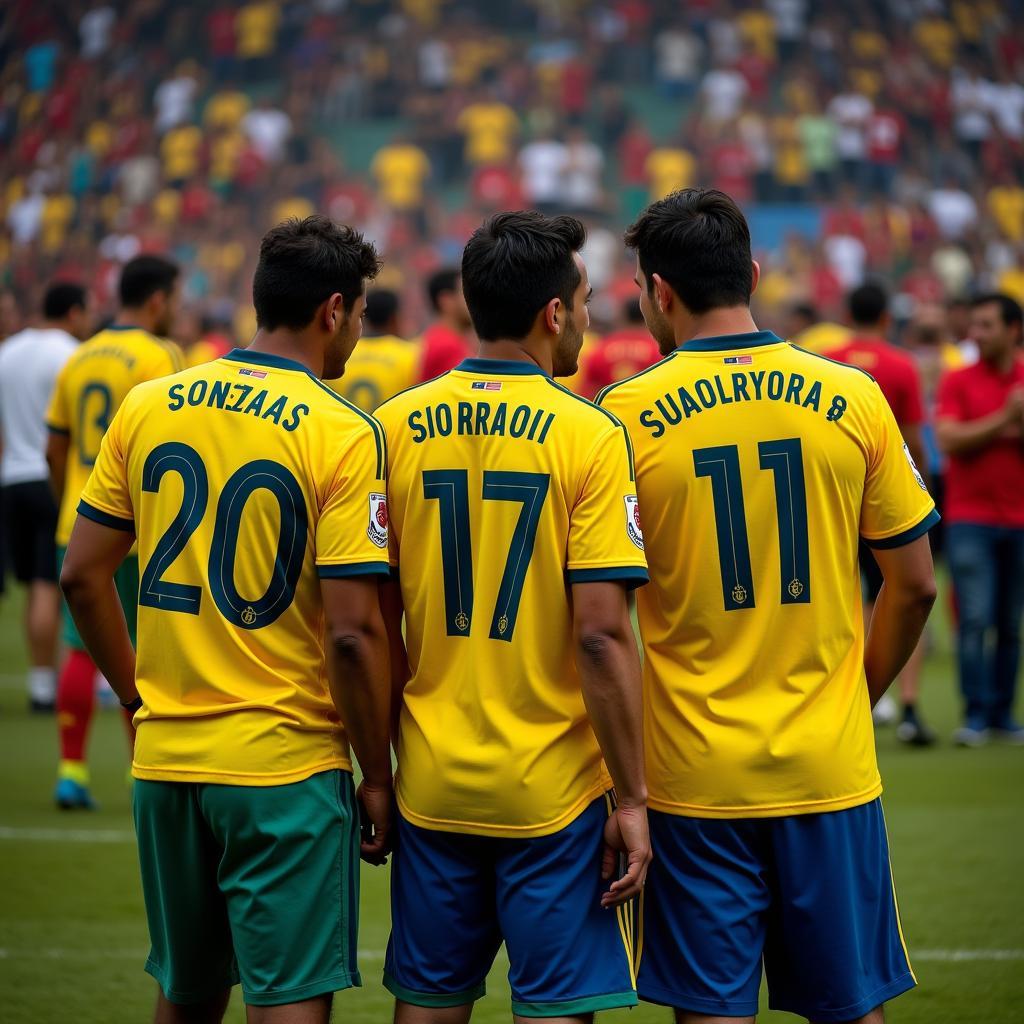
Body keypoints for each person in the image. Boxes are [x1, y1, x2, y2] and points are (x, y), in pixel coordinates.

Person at [599, 189, 938, 1024]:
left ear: (657, 292)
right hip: (828, 766)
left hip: (693, 776)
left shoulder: (626, 417)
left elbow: (601, 619)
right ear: (752, 274)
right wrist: (854, 695)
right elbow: (917, 582)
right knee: (849, 1005)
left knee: (712, 1010)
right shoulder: (853, 396)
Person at [59, 216, 394, 1022]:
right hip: (282, 768)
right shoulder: (341, 432)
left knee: (186, 997)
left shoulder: (149, 405)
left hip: (167, 763)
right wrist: (378, 776)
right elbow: (351, 633)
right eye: (359, 316)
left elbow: (81, 575)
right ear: (334, 311)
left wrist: (137, 699)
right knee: (287, 1004)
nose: (357, 333)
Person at [375, 211, 652, 1022]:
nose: (593, 318)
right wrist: (631, 798)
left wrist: (378, 772)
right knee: (557, 1006)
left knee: (427, 1002)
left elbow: (366, 622)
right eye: (588, 301)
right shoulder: (590, 433)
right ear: (555, 314)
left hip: (430, 779)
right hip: (553, 791)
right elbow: (601, 635)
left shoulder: (392, 426)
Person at [45, 256, 184, 809]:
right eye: (173, 298)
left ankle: (72, 771)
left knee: (81, 649)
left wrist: (71, 508)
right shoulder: (158, 355)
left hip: (81, 522)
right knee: (145, 648)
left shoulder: (78, 356)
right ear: (157, 300)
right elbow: (176, 445)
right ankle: (139, 772)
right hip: (139, 527)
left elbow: (54, 446)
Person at [825, 283, 935, 744]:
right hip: (884, 497)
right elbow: (912, 440)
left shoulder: (827, 360)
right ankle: (905, 703)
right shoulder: (900, 364)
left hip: (833, 497)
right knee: (899, 587)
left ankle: (848, 696)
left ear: (847, 314)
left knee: (846, 595)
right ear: (888, 318)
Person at [936, 293, 1024, 746]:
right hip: (969, 517)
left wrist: (983, 430)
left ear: (1013, 330)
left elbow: (964, 435)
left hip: (1018, 518)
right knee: (974, 618)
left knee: (1009, 623)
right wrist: (1006, 419)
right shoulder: (958, 379)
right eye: (975, 324)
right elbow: (949, 439)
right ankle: (974, 713)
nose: (976, 334)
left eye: (987, 325)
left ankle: (1002, 716)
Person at [0, 283, 89, 712]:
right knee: (47, 587)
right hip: (50, 476)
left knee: (30, 585)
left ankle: (39, 682)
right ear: (74, 313)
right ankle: (64, 682)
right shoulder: (71, 355)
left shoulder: (7, 352)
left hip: (11, 477)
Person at [325, 288, 422, 412]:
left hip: (348, 429)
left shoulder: (340, 355)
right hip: (391, 430)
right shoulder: (412, 354)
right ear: (394, 318)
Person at [579, 296, 661, 399]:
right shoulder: (658, 350)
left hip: (608, 412)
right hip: (649, 412)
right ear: (647, 317)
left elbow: (587, 395)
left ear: (623, 317)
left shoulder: (600, 349)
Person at [417, 267, 474, 381]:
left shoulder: (438, 339)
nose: (474, 301)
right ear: (446, 300)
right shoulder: (447, 347)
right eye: (467, 293)